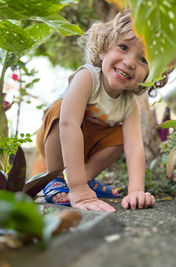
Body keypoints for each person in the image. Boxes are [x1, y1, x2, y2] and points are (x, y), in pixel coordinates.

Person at [36, 10, 167, 212]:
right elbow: (68, 126)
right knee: (61, 110)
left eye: (144, 60)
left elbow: (134, 147)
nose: (130, 62)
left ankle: (87, 178)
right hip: (59, 141)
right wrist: (77, 189)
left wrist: (136, 191)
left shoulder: (129, 101)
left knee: (124, 137)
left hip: (90, 149)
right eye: (123, 47)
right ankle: (56, 179)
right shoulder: (88, 77)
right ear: (104, 49)